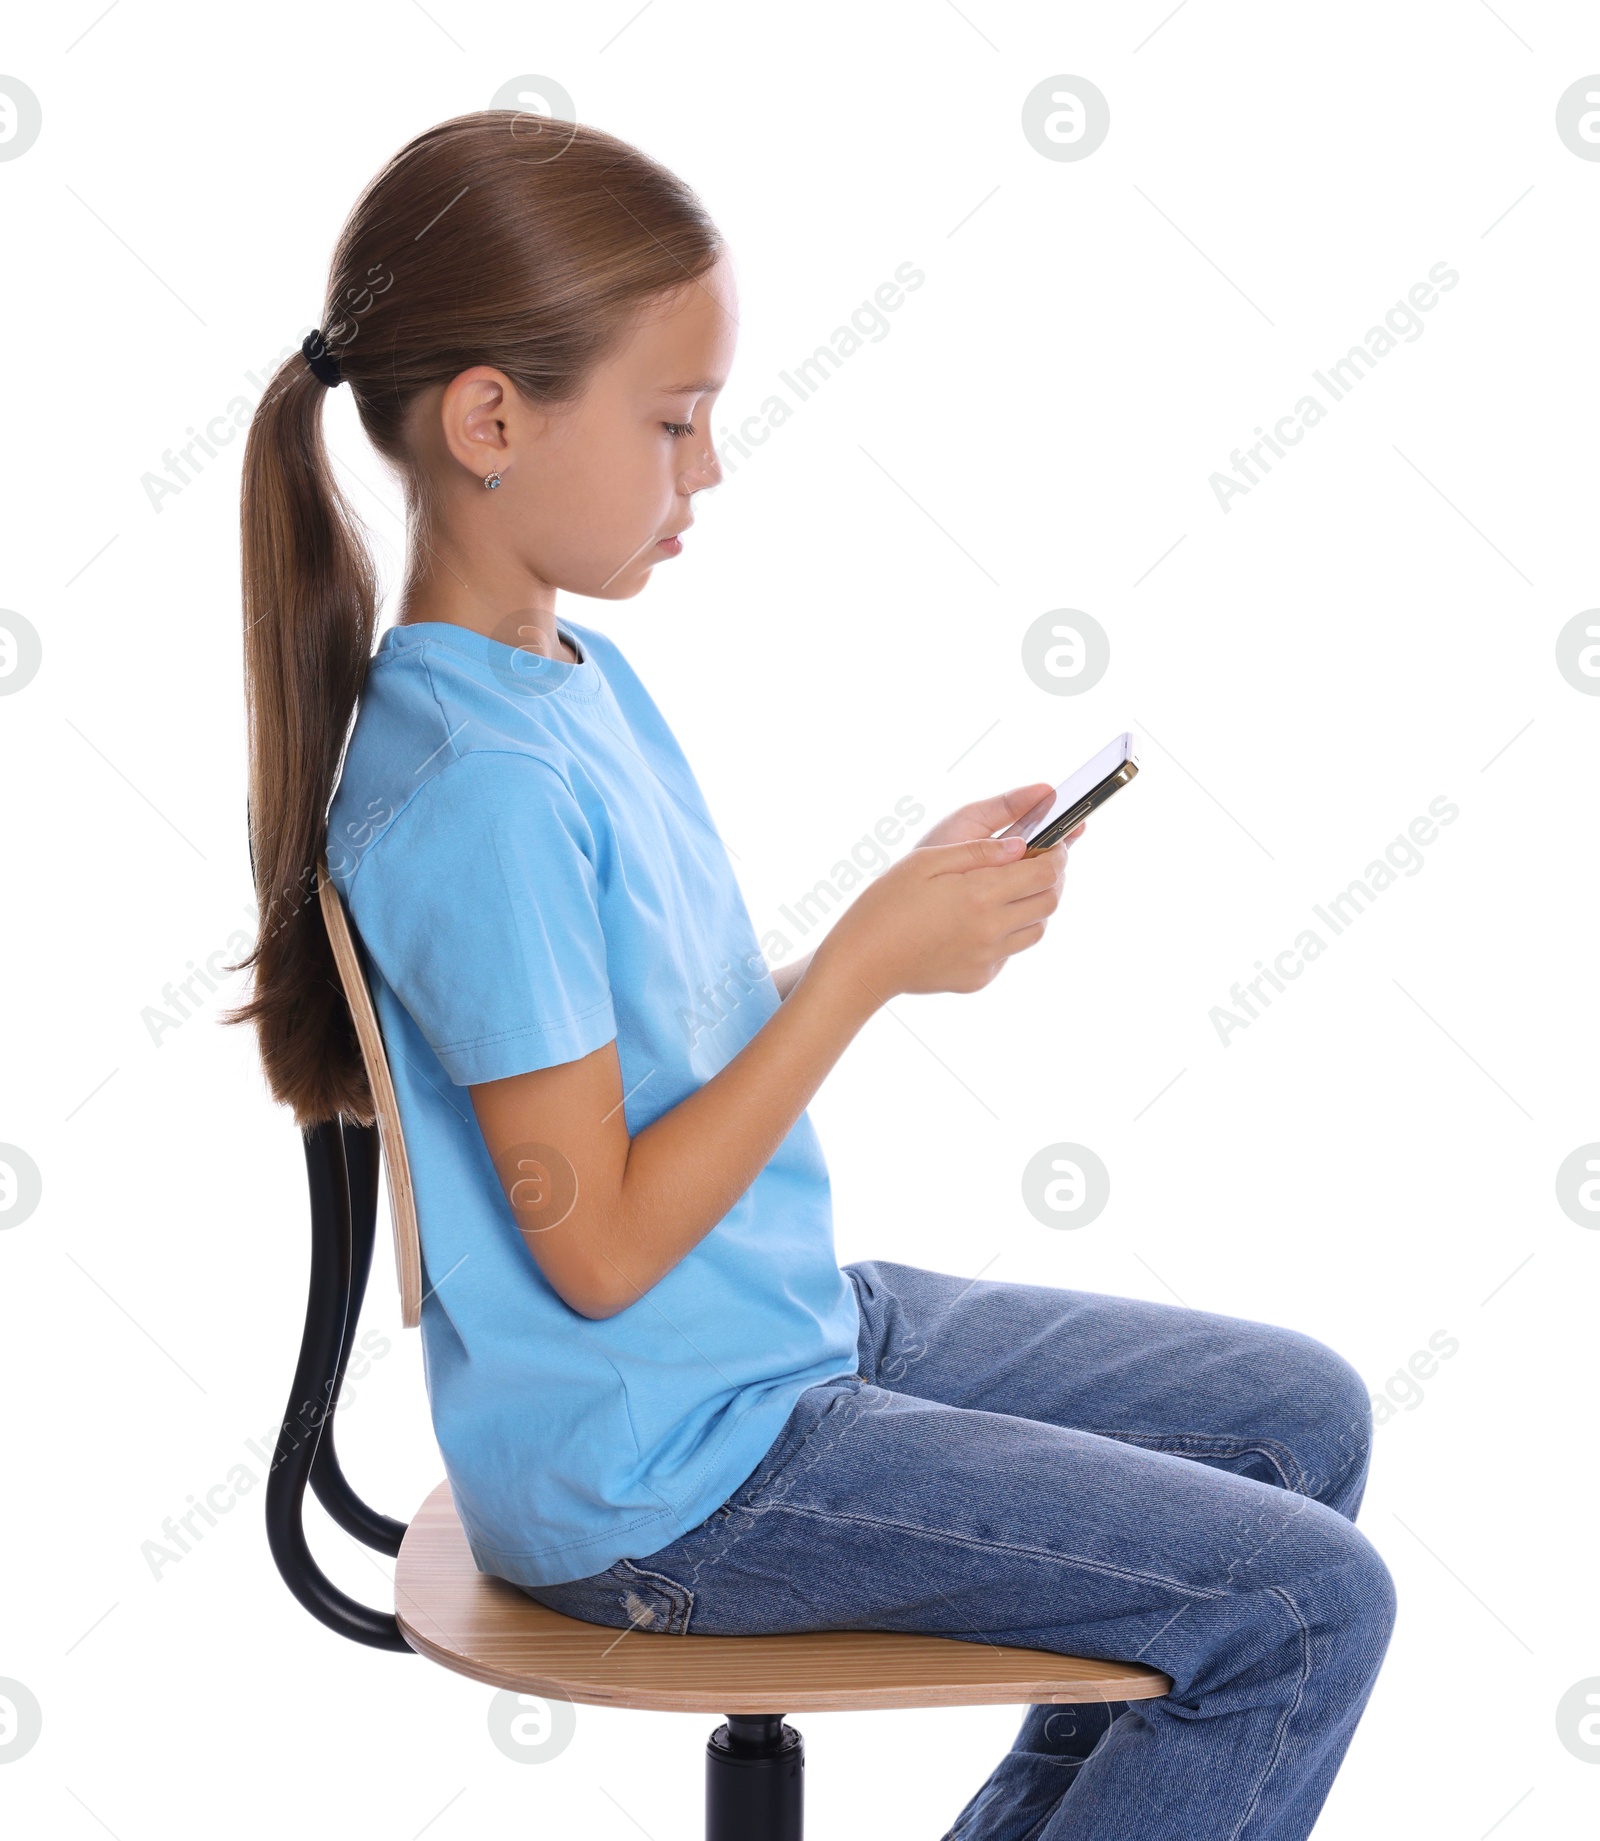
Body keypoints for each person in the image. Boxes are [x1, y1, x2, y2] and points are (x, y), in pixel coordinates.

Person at [231, 110, 1395, 1840]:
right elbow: (604, 1244)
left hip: (758, 1336)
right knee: (1301, 1606)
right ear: (491, 420)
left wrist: (898, 927)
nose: (705, 471)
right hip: (665, 1471)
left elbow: (641, 1054)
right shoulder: (476, 789)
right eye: (674, 422)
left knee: (1296, 1416)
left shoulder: (562, 677)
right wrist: (856, 973)